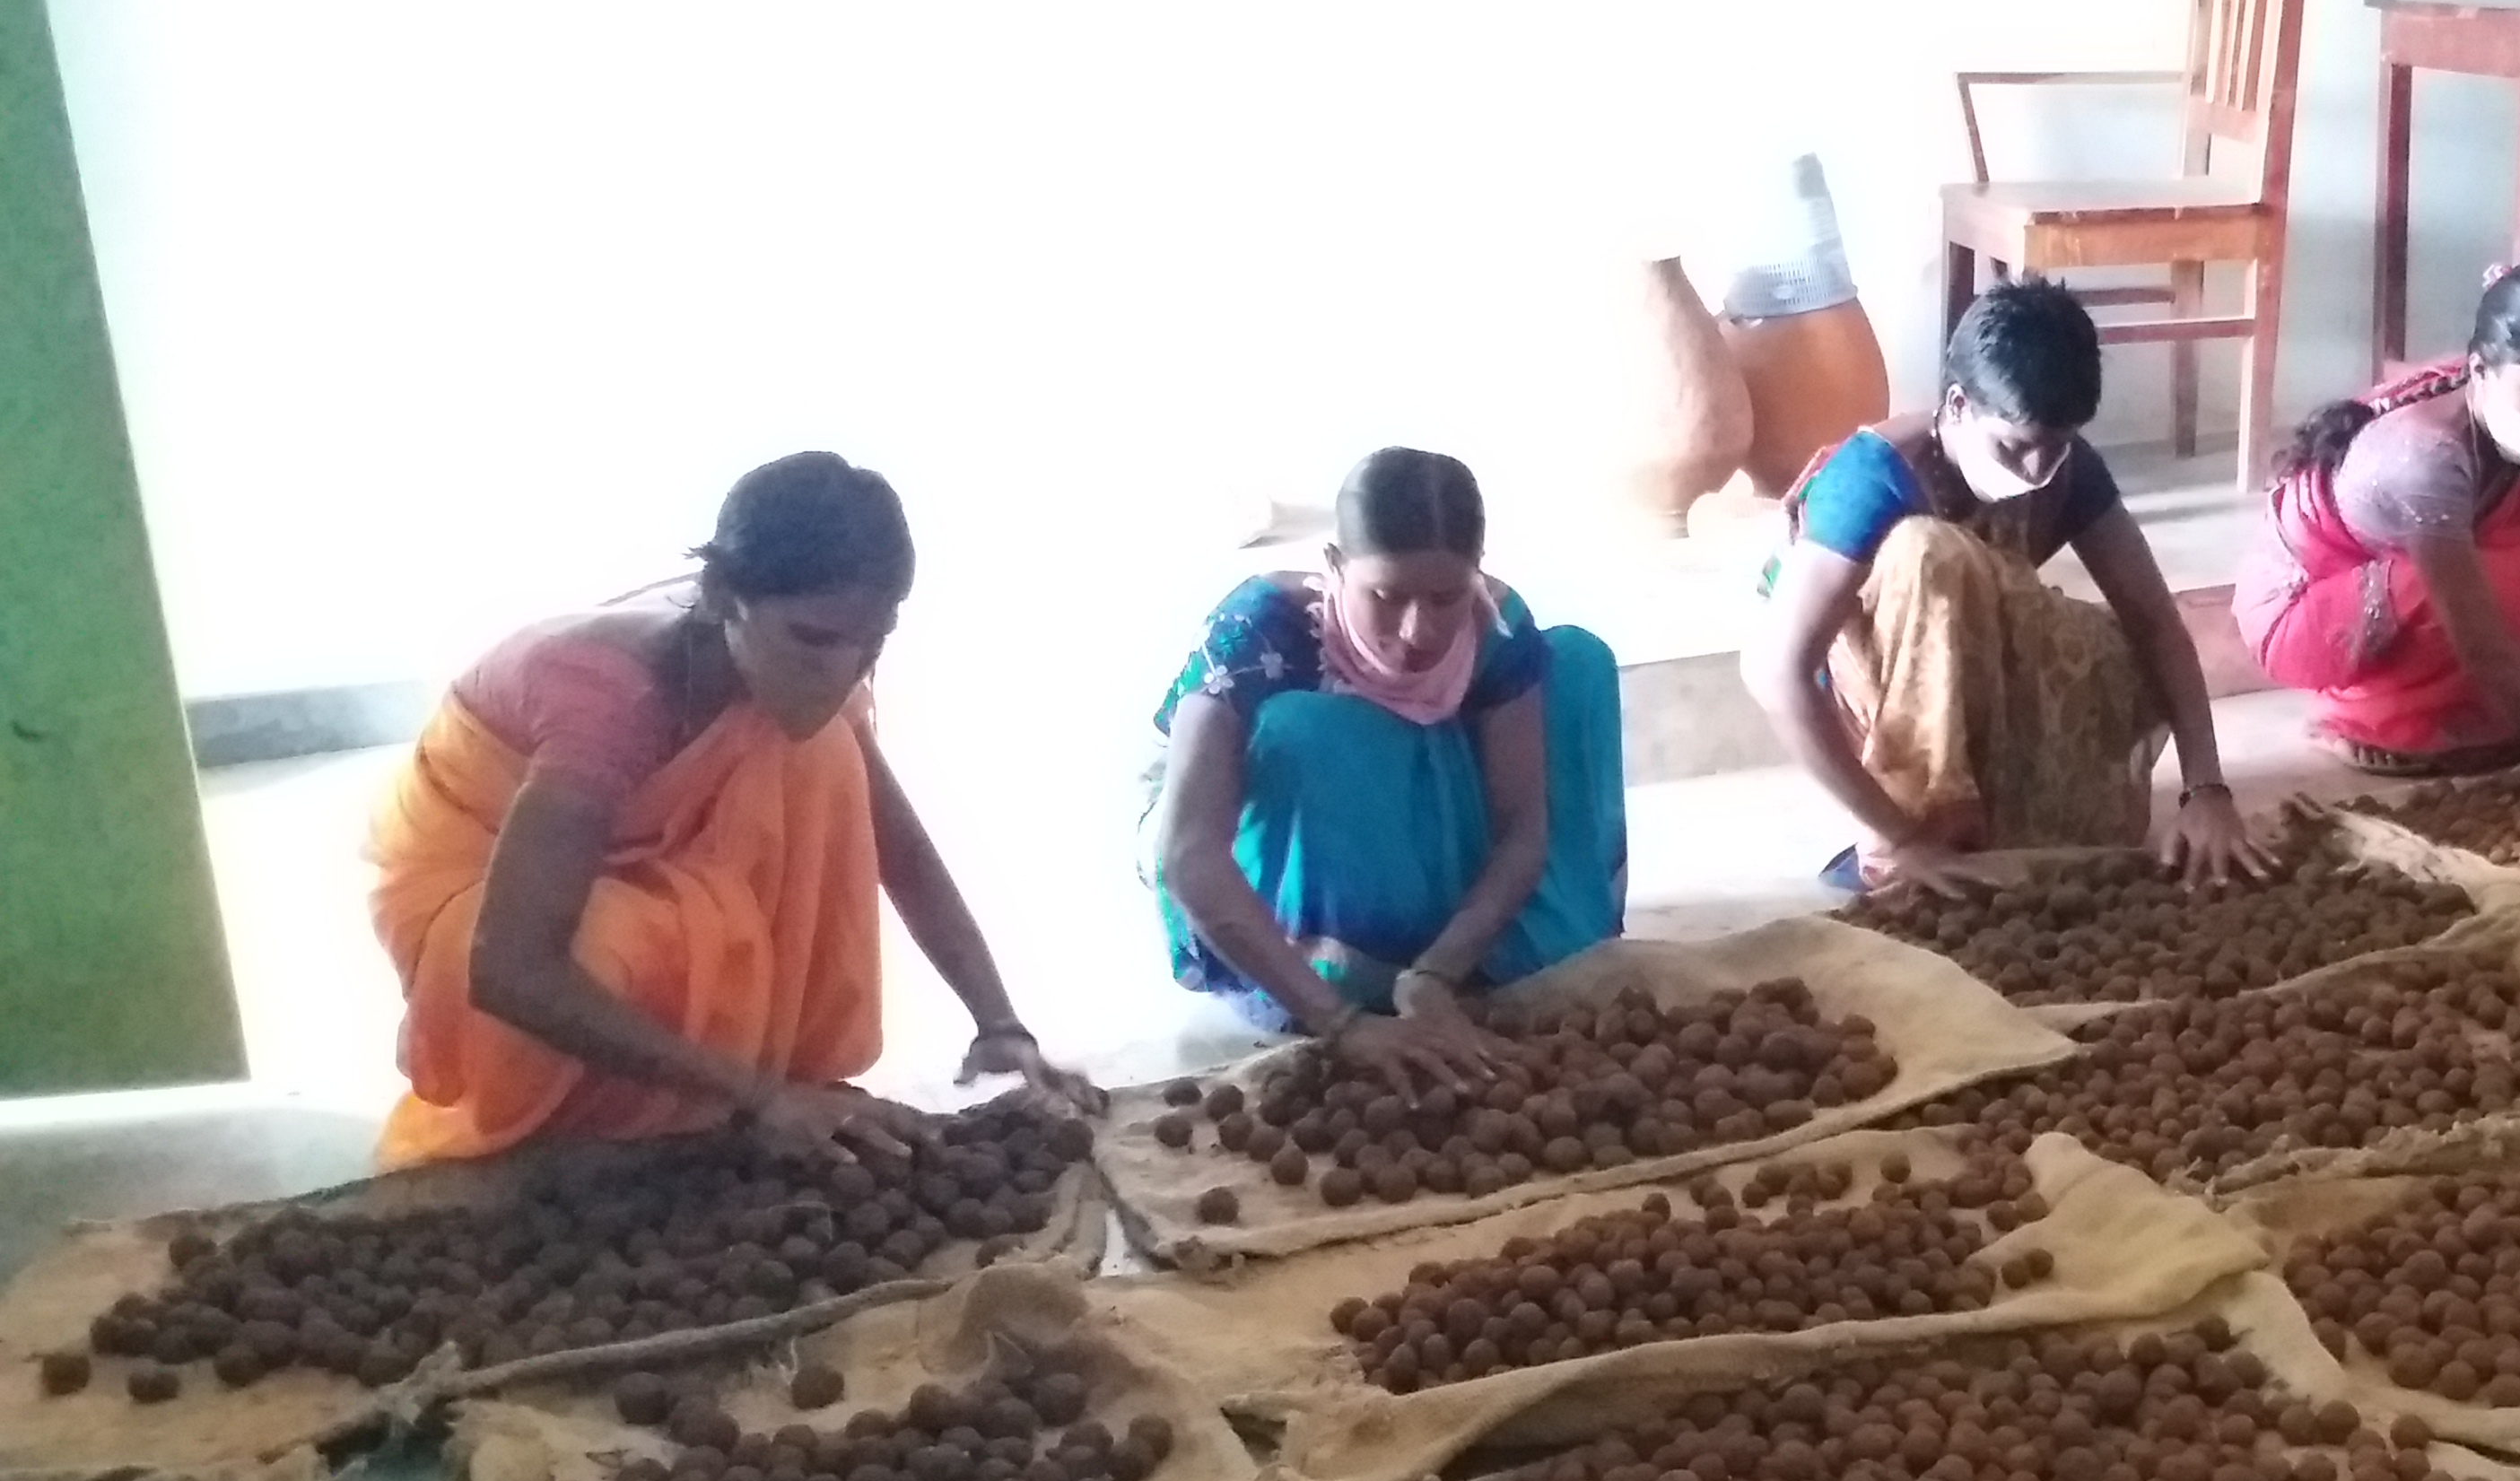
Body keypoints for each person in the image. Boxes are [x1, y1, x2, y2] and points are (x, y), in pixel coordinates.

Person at [368, 452, 1077, 1168]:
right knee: (613, 946)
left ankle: (741, 1095)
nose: (845, 670)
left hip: (642, 868)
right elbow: (510, 967)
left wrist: (1001, 1023)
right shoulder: (607, 696)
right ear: (720, 596)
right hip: (484, 892)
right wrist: (758, 1094)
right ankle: (619, 1132)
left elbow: (901, 849)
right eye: (814, 639)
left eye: (874, 640)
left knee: (825, 751)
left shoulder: (791, 677)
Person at [1747, 277, 2271, 893]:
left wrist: (2206, 789)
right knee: (1932, 555)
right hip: (1869, 681)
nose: (2037, 469)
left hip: (1969, 662)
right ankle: (1919, 836)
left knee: (2120, 653)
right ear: (1959, 405)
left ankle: (2001, 821)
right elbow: (1775, 671)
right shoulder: (1872, 479)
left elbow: (2154, 620)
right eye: (2016, 447)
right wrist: (1903, 836)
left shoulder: (2065, 468)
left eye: (2057, 446)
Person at [1145, 448, 1625, 1088]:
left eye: (1446, 596)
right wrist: (1342, 1024)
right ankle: (1327, 962)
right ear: (1336, 567)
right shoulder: (1258, 632)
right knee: (1307, 730)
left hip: (1429, 827)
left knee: (1574, 661)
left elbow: (1523, 830)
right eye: (1386, 595)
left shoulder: (1496, 627)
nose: (1417, 628)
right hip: (1280, 856)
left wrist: (1436, 975)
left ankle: (1436, 951)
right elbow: (1187, 855)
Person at [2235, 262, 2520, 799]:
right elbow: (2482, 641)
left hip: (2427, 575)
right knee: (2493, 573)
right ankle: (2371, 719)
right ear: (2480, 372)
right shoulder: (2424, 456)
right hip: (2310, 611)